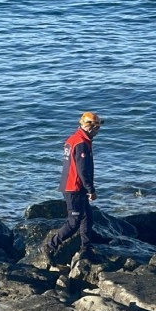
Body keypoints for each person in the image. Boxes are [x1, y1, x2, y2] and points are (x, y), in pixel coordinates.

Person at [40, 111, 102, 261]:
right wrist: (90, 189)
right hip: (74, 187)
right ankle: (50, 245)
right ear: (89, 127)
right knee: (74, 222)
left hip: (71, 183)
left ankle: (86, 248)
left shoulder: (72, 139)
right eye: (97, 127)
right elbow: (83, 169)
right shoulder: (81, 143)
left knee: (87, 216)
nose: (98, 131)